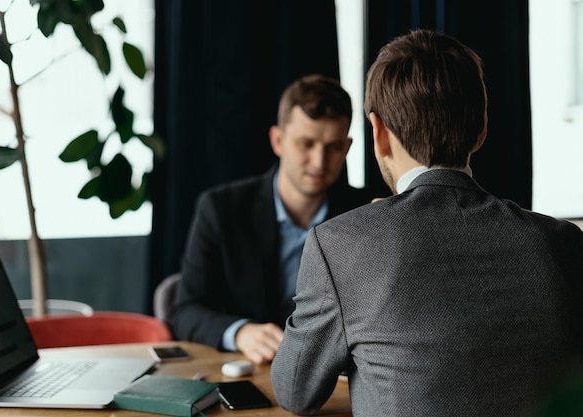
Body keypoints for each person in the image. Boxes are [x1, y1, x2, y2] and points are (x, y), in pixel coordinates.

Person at [271, 29, 583, 417]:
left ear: (379, 134)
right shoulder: (564, 242)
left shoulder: (340, 245)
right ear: (482, 128)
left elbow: (294, 392)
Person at [168, 74, 372, 364]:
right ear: (278, 141)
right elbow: (185, 311)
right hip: (250, 370)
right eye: (306, 144)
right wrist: (240, 332)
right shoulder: (221, 208)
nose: (319, 161)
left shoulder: (368, 214)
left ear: (347, 148)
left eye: (333, 147)